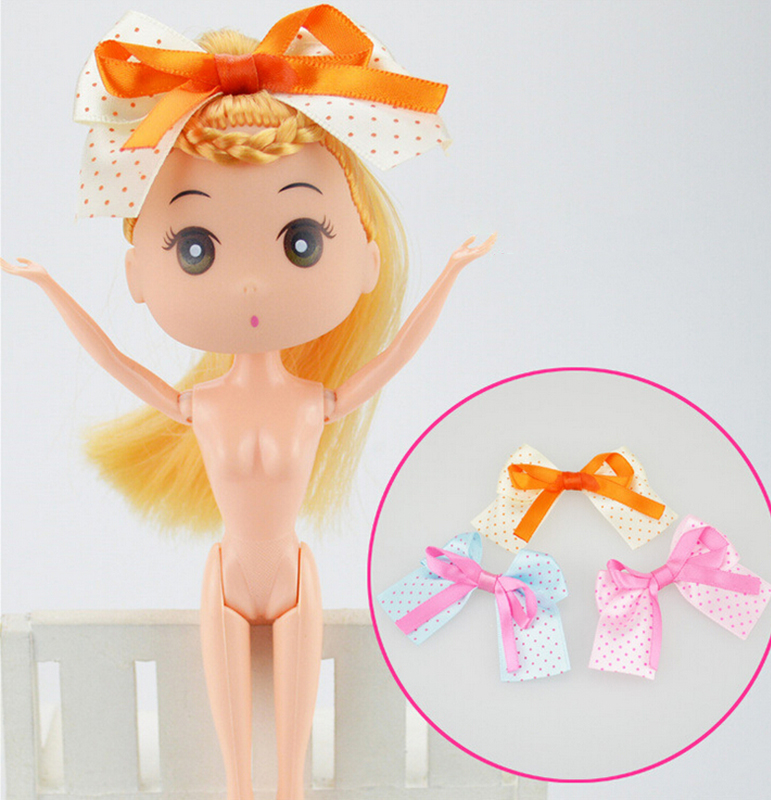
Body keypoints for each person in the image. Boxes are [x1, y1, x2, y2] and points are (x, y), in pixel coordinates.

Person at [1, 7, 494, 799]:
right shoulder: (202, 405)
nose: (253, 285)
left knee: (288, 771)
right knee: (238, 773)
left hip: (294, 576)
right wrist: (48, 286)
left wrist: (451, 273)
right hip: (227, 577)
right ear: (138, 275)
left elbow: (397, 352)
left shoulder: (313, 400)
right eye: (195, 249)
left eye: (301, 241)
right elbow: (114, 359)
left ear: (366, 259)